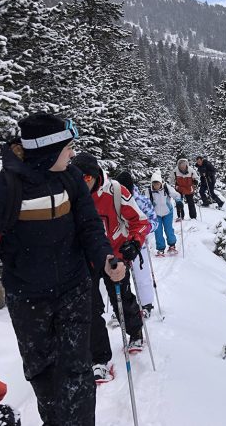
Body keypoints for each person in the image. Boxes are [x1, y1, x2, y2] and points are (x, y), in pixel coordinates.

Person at [0, 113, 123, 425]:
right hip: (28, 299)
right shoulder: (1, 190)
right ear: (47, 150)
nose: (73, 153)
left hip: (74, 289)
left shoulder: (70, 178)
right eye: (68, 147)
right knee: (42, 375)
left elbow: (89, 226)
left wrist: (105, 259)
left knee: (77, 373)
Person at [71, 153, 150, 384]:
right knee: (89, 306)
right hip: (85, 259)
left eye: (86, 176)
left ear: (95, 175)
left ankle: (135, 332)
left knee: (121, 299)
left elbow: (141, 221)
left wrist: (134, 243)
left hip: (115, 255)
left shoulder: (116, 192)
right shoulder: (72, 194)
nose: (82, 181)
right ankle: (99, 358)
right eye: (77, 176)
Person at [114, 171, 157, 317]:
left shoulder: (141, 200)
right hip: (120, 245)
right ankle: (124, 309)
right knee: (121, 278)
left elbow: (153, 221)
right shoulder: (114, 200)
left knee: (142, 275)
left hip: (138, 245)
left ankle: (146, 305)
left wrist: (144, 230)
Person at [148, 170, 181, 257]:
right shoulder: (149, 191)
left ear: (161, 182)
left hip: (167, 213)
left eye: (158, 183)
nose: (156, 186)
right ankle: (160, 249)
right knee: (158, 232)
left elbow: (176, 195)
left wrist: (178, 201)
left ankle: (172, 245)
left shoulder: (166, 187)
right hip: (156, 215)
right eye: (154, 184)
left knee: (168, 229)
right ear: (152, 184)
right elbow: (146, 202)